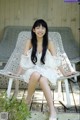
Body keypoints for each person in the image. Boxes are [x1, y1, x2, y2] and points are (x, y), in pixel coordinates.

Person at [15, 19, 76, 120]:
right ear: (33, 30)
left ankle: (52, 110)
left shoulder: (49, 43)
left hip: (47, 70)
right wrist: (17, 73)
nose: (40, 30)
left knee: (42, 79)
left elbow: (56, 61)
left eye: (43, 28)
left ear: (46, 30)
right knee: (35, 74)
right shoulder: (29, 42)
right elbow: (24, 59)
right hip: (33, 69)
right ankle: (28, 100)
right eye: (38, 27)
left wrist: (64, 73)